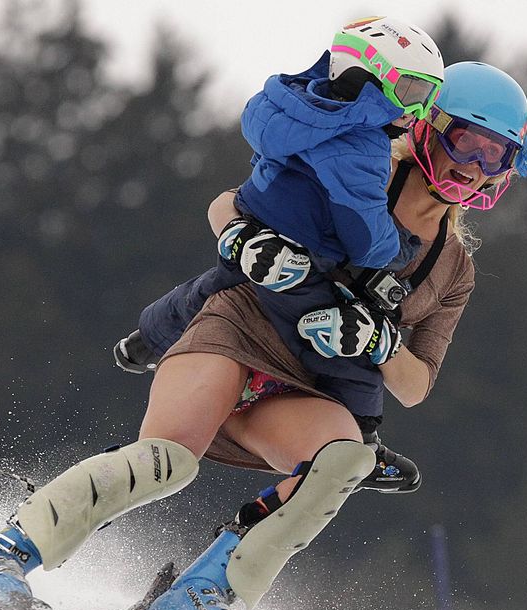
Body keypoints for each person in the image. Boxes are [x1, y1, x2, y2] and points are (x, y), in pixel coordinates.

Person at [0, 60, 527, 610]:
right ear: (427, 127)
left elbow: (415, 383)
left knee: (341, 461)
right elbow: (232, 204)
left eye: (498, 155)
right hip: (240, 326)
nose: (476, 167)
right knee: (166, 462)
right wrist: (242, 240)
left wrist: (378, 343)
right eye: (466, 142)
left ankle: (198, 594)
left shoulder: (452, 267)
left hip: (304, 381)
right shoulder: (355, 163)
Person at [116, 16, 445, 491]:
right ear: (371, 77)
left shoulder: (292, 99)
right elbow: (363, 232)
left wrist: (241, 229)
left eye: (429, 100)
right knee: (349, 353)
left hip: (257, 217)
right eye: (414, 93)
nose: (418, 112)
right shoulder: (362, 143)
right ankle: (366, 442)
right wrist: (398, 249)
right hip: (305, 257)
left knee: (214, 289)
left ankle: (146, 338)